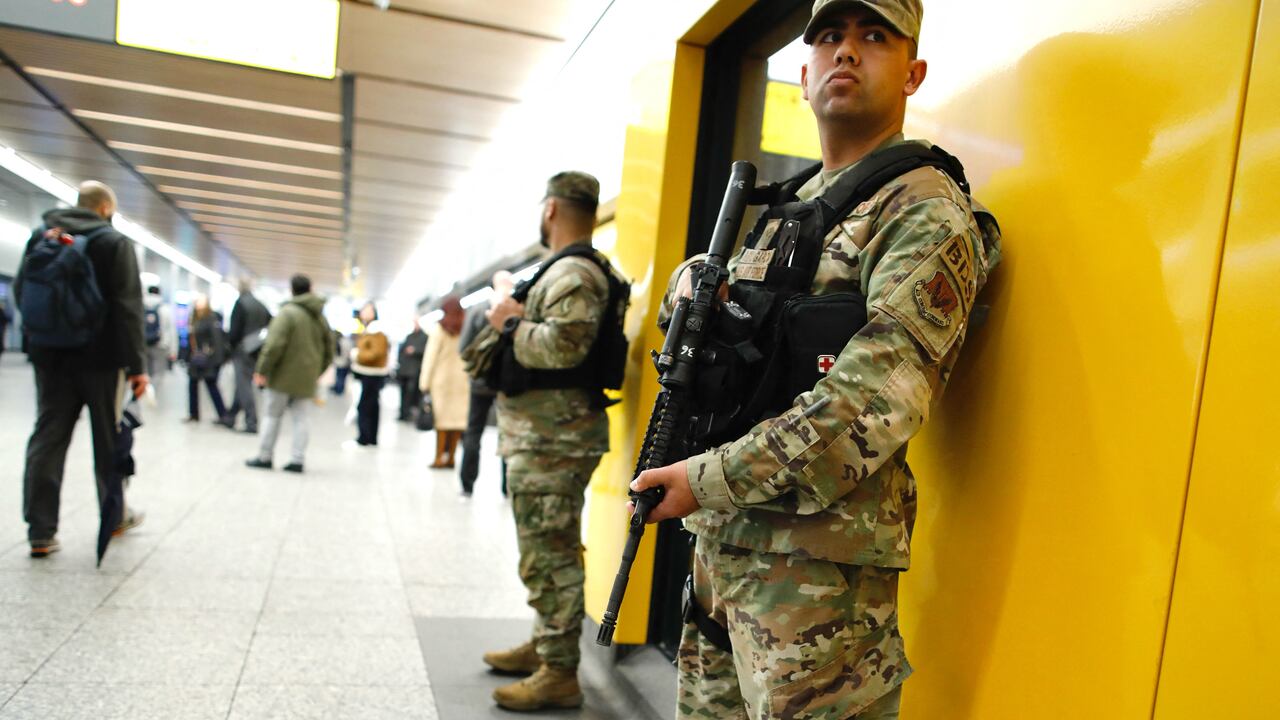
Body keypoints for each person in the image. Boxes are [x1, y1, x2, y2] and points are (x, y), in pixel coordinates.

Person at [628, 2, 1003, 717]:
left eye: (873, 38)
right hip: (724, 551)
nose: (847, 53)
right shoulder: (787, 209)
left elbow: (871, 401)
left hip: (817, 581)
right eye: (829, 38)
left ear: (913, 72)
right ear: (801, 76)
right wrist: (689, 285)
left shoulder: (924, 210)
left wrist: (706, 478)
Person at [481, 172, 617, 711]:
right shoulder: (569, 269)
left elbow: (564, 350)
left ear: (552, 210)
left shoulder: (576, 273)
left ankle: (559, 671)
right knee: (545, 548)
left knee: (551, 554)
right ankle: (545, 645)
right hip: (545, 436)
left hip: (553, 439)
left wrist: (511, 322)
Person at [14, 180, 150, 558]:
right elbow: (127, 307)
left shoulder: (44, 234)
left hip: (50, 357)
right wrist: (138, 366)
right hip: (102, 361)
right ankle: (114, 516)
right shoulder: (113, 242)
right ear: (106, 207)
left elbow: (21, 292)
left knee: (48, 437)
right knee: (107, 441)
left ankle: (40, 531)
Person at [246, 274, 333, 473]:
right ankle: (297, 459)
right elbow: (329, 349)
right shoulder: (320, 317)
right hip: (306, 378)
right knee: (301, 418)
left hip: (281, 377)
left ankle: (265, 456)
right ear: (310, 288)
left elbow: (273, 345)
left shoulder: (287, 313)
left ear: (291, 289)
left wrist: (262, 370)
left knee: (272, 415)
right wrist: (316, 371)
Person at [458, 271, 514, 496]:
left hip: (479, 382)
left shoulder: (477, 310)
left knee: (474, 431)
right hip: (507, 384)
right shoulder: (516, 309)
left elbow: (463, 347)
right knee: (507, 434)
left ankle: (467, 484)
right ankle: (506, 488)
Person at [418, 297, 469, 470]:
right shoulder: (465, 329)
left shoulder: (439, 330)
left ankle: (439, 457)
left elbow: (430, 358)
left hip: (441, 381)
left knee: (441, 422)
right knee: (457, 422)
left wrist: (424, 382)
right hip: (462, 381)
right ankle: (452, 458)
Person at [225, 277, 272, 433]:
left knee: (243, 385)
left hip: (242, 349)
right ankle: (230, 416)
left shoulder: (240, 304)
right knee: (242, 384)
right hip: (256, 349)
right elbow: (271, 323)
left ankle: (251, 421)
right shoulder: (260, 305)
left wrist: (230, 347)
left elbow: (234, 331)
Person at [185, 295, 232, 426]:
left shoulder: (211, 319)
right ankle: (193, 413)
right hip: (197, 358)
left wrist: (217, 360)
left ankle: (223, 414)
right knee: (192, 384)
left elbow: (217, 341)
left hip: (208, 359)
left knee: (211, 385)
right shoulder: (195, 319)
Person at [348, 301, 390, 447]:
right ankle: (369, 437)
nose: (364, 313)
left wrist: (357, 355)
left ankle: (365, 437)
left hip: (372, 374)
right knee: (370, 405)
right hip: (368, 373)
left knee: (366, 406)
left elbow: (376, 353)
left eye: (368, 310)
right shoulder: (367, 329)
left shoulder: (376, 331)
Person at [140, 274, 177, 385]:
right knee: (158, 375)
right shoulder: (165, 309)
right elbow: (171, 330)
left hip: (143, 344)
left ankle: (143, 394)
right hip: (161, 345)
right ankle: (153, 395)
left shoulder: (141, 307)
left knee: (144, 373)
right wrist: (173, 351)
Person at [396, 319, 428, 422]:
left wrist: (415, 351)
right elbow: (401, 351)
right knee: (403, 392)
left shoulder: (425, 337)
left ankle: (410, 413)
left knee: (412, 393)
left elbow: (426, 352)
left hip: (415, 371)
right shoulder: (409, 336)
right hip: (404, 370)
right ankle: (403, 413)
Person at [331, 329, 353, 395]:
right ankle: (340, 388)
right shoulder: (349, 341)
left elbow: (338, 352)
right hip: (346, 361)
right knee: (343, 377)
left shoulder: (339, 342)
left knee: (339, 376)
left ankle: (339, 389)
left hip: (340, 361)